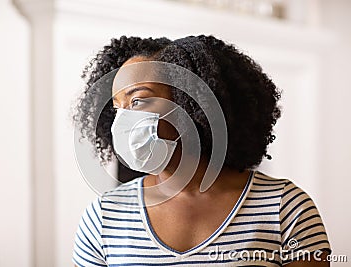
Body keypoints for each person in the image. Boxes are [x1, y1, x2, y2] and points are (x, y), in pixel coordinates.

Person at [72, 35, 331, 266]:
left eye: (138, 100)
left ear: (191, 102)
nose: (123, 120)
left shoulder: (286, 207)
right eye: (118, 108)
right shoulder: (103, 217)